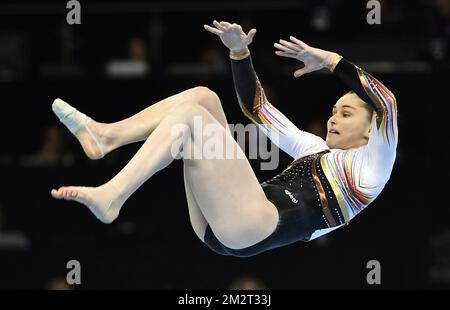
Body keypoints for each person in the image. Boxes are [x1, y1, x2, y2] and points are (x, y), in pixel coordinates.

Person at [51, 20, 398, 257]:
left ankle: (113, 194)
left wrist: (330, 61)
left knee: (194, 120)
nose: (333, 118)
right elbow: (255, 108)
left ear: (372, 129)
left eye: (346, 114)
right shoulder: (314, 148)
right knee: (203, 98)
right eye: (333, 111)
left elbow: (387, 102)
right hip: (223, 221)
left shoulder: (372, 168)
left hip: (252, 226)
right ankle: (107, 135)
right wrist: (239, 53)